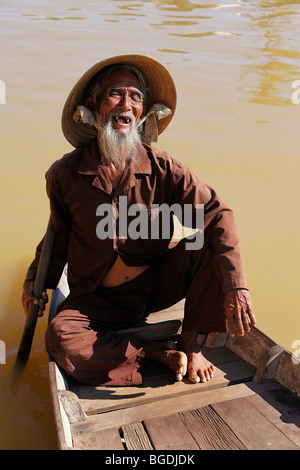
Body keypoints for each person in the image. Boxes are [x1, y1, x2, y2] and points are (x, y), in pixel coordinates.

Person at [22, 54, 256, 387]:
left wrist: (238, 287)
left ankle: (191, 342)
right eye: (115, 94)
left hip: (157, 287)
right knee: (61, 340)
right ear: (94, 106)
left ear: (142, 113)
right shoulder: (65, 173)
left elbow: (219, 213)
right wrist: (35, 278)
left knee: (204, 232)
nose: (127, 104)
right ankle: (154, 351)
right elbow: (58, 235)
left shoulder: (166, 167)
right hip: (97, 299)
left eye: (136, 97)